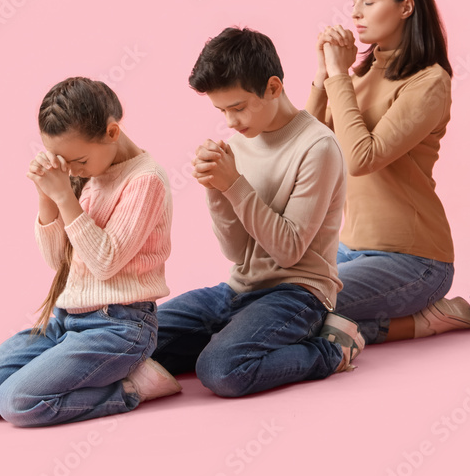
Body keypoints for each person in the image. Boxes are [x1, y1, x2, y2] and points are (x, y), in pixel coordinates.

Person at [0, 77, 179, 427]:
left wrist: (65, 197)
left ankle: (131, 387)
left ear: (111, 132)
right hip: (65, 319)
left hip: (119, 326)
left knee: (17, 403)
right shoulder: (88, 176)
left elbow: (106, 262)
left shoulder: (145, 180)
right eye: (63, 161)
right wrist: (47, 195)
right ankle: (75, 369)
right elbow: (55, 259)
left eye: (78, 160)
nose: (72, 171)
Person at [150, 27, 357, 398]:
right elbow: (235, 252)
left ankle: (330, 349)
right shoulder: (240, 144)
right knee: (138, 341)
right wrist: (215, 191)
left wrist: (232, 185)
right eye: (222, 110)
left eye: (238, 107)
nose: (231, 122)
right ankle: (242, 334)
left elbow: (289, 250)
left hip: (298, 293)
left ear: (273, 88)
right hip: (238, 288)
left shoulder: (318, 147)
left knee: (221, 370)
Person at [306, 0, 470, 347]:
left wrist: (338, 77)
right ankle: (384, 327)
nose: (355, 12)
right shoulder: (359, 76)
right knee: (273, 301)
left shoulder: (429, 82)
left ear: (406, 7)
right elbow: (309, 147)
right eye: (353, 1)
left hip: (414, 260)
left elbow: (362, 158)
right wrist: (322, 73)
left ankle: (425, 320)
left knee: (300, 307)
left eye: (368, 0)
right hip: (349, 248)